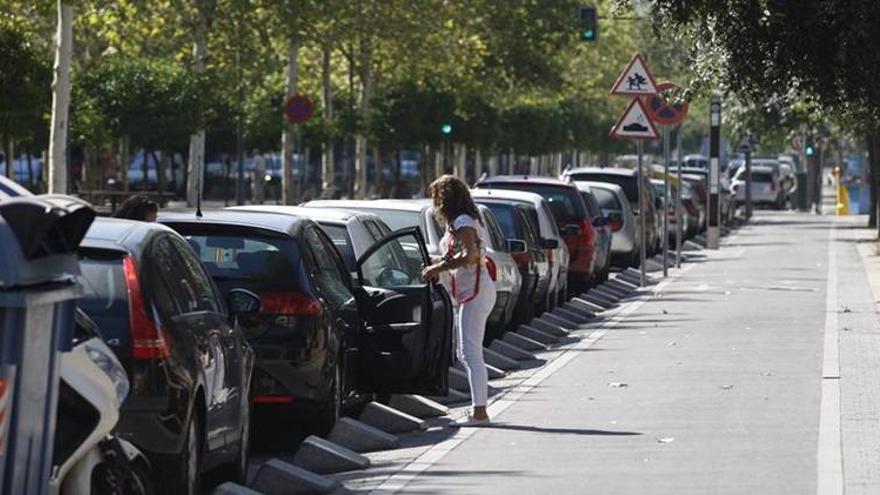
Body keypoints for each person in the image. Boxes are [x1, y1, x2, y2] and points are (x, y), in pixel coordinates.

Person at [421, 175, 497, 427]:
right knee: (467, 352)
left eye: (436, 198)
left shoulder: (463, 221)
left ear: (445, 199)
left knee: (470, 353)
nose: (434, 204)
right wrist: (437, 265)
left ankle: (480, 412)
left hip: (476, 292)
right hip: (472, 292)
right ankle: (478, 408)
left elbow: (469, 255)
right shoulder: (461, 222)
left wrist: (438, 267)